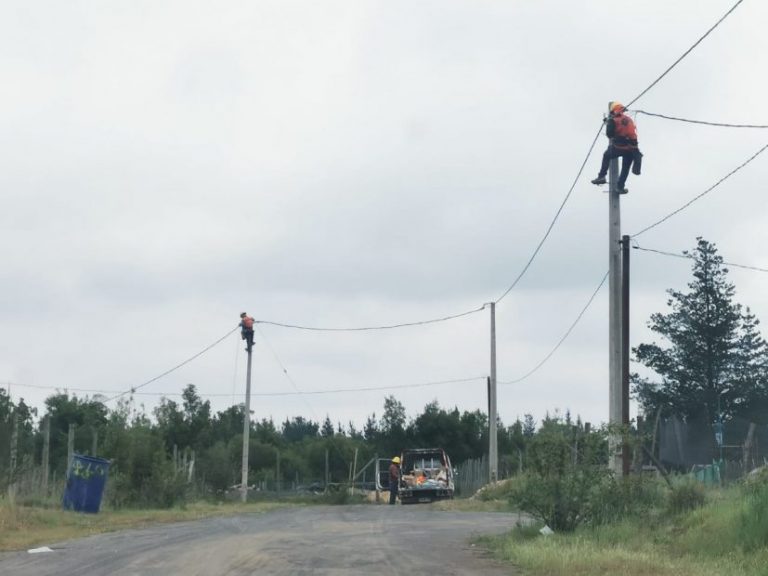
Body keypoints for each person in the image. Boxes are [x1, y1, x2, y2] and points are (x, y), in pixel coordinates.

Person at [591, 102, 643, 194]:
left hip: (619, 147)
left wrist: (608, 123)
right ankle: (620, 187)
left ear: (613, 110)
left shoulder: (613, 120)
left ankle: (601, 176)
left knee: (606, 155)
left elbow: (610, 134)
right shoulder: (629, 119)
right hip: (632, 149)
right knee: (625, 168)